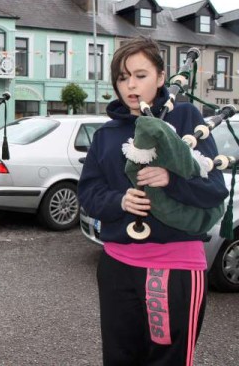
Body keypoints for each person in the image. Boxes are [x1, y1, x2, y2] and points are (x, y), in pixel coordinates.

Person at [78, 37, 229, 365]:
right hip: (117, 265)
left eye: (140, 75)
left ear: (161, 78)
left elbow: (215, 188)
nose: (130, 85)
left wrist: (171, 179)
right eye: (122, 77)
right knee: (120, 358)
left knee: (167, 359)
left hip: (174, 267)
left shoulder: (186, 118)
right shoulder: (106, 135)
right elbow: (88, 194)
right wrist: (120, 201)